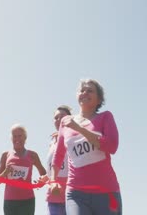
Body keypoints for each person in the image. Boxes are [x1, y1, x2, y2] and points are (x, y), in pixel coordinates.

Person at [50, 79, 122, 214]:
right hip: (75, 193)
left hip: (106, 192)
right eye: (82, 90)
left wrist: (80, 129)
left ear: (99, 99)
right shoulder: (65, 122)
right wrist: (53, 181)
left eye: (90, 91)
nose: (85, 93)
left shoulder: (105, 117)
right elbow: (59, 155)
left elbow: (112, 146)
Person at [0, 123, 47, 215]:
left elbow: (44, 174)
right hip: (10, 200)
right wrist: (5, 172)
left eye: (20, 136)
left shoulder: (32, 155)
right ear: (11, 138)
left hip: (27, 200)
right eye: (14, 136)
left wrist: (40, 182)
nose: (17, 139)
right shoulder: (5, 155)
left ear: (25, 137)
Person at [45, 105, 72, 215]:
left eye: (62, 117)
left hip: (72, 195)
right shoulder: (52, 142)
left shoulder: (75, 137)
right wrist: (46, 177)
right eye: (56, 117)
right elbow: (55, 165)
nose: (59, 120)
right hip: (54, 195)